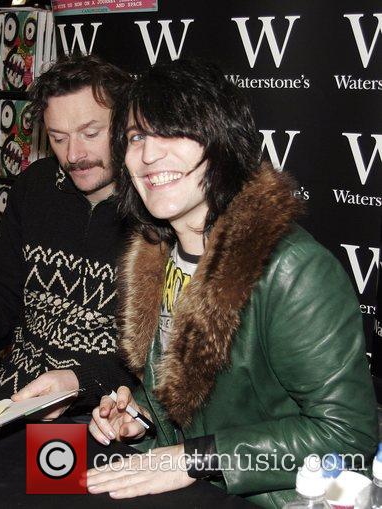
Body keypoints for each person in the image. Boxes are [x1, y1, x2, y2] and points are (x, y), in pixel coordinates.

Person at [86, 59, 378, 507]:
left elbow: (346, 436)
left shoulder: (292, 269)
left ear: (223, 143)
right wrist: (139, 419)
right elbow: (192, 406)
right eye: (136, 136)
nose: (148, 154)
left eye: (174, 131)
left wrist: (193, 459)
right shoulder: (156, 256)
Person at [0, 55, 137, 417]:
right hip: (13, 397)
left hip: (101, 418)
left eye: (91, 134)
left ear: (126, 125)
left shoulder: (156, 210)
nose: (74, 155)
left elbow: (162, 362)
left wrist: (81, 382)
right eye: (58, 138)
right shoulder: (36, 186)